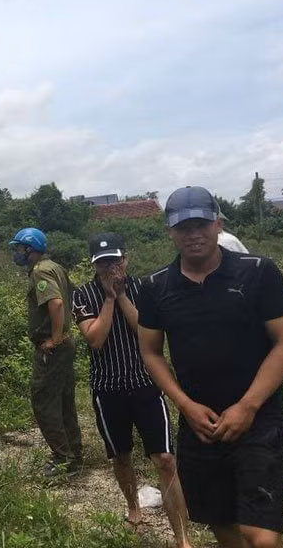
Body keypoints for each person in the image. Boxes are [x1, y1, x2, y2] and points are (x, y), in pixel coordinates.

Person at [137, 186, 283, 548]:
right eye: (184, 227)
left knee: (262, 537)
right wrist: (185, 405)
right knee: (220, 521)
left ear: (218, 224)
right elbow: (151, 353)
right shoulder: (156, 287)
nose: (193, 234)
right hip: (201, 422)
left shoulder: (258, 273)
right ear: (170, 231)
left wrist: (248, 406)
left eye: (201, 224)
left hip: (259, 418)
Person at [72, 232, 191, 547]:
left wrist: (122, 295)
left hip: (146, 383)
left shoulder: (145, 288)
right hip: (107, 388)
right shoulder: (83, 294)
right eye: (103, 263)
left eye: (114, 260)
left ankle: (182, 538)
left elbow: (144, 331)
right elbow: (95, 339)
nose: (110, 268)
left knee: (165, 459)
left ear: (125, 259)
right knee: (121, 456)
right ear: (94, 265)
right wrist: (109, 299)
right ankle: (133, 506)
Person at [10, 227, 82, 476]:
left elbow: (57, 303)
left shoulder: (40, 271)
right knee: (64, 401)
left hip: (53, 348)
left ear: (30, 249)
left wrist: (55, 338)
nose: (17, 252)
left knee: (43, 401)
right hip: (64, 345)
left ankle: (63, 459)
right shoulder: (55, 267)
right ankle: (74, 454)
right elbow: (72, 295)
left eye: (20, 248)